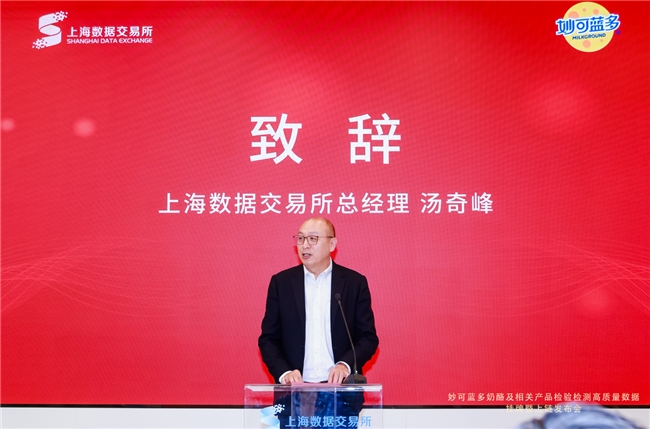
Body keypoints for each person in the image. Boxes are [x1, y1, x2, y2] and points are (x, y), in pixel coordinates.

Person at [258, 217, 379, 427]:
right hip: (294, 395)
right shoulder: (281, 283)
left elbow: (368, 338)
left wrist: (344, 365)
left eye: (313, 239)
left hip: (339, 395)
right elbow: (268, 339)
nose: (305, 245)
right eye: (301, 238)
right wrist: (285, 373)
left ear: (332, 244)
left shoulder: (354, 283)